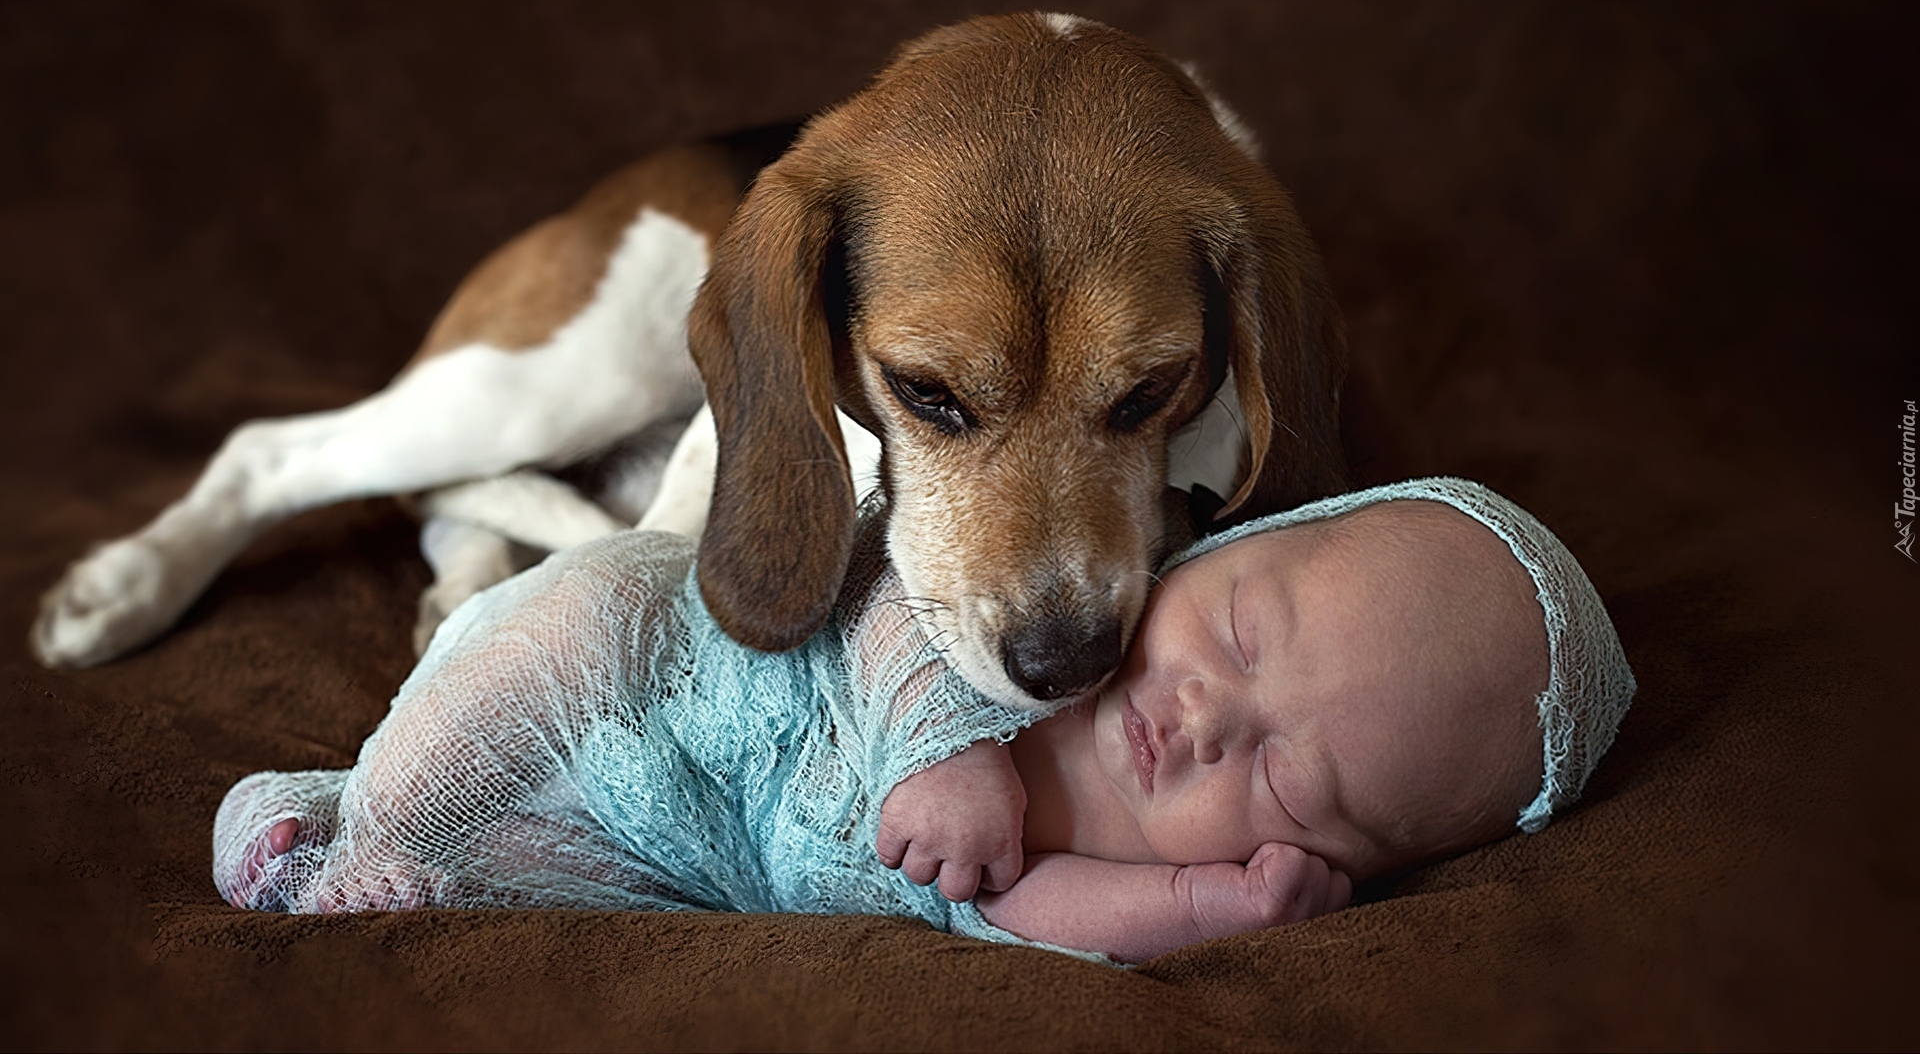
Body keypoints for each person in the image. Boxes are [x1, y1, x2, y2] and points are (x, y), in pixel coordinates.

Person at [214, 478, 1633, 964]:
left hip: (692, 837)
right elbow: (893, 573)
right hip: (668, 663)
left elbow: (1029, 918)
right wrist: (939, 748)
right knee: (553, 648)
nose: (1205, 722)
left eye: (1295, 784)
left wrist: (1209, 902)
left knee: (573, 901)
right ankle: (388, 810)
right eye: (1246, 633)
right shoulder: (1077, 610)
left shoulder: (1149, 853)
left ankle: (344, 853)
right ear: (1235, 539)